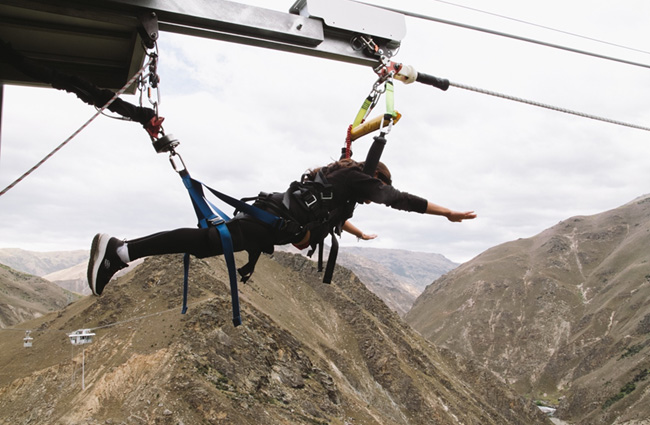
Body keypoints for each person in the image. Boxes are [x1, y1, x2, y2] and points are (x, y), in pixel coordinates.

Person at [87, 159, 476, 296]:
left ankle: (122, 252)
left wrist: (360, 235)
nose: (379, 197)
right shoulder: (358, 179)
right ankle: (120, 251)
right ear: (376, 179)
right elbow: (404, 200)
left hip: (268, 217)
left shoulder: (341, 185)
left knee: (210, 241)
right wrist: (447, 213)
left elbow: (335, 218)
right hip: (268, 222)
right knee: (208, 242)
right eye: (379, 189)